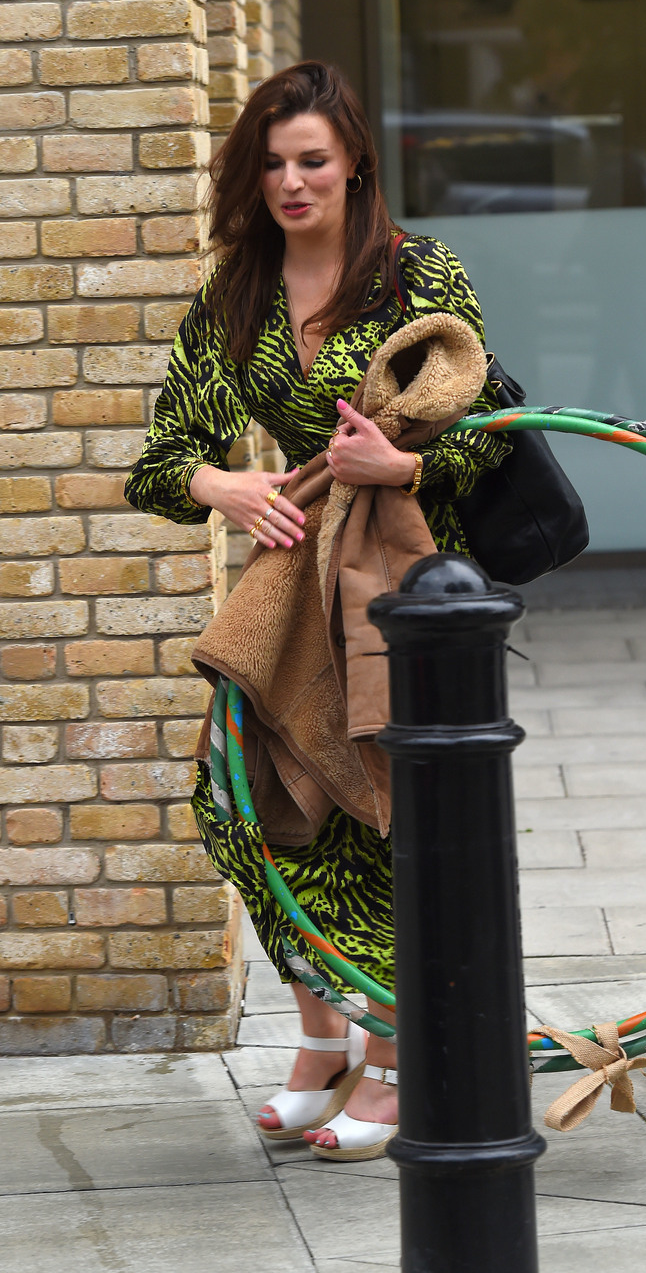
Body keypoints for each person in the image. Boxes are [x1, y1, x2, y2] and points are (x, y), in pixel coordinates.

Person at [124, 60, 509, 1161]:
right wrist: (227, 485)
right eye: (273, 163)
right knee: (243, 801)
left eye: (313, 161)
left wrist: (398, 462)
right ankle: (321, 1036)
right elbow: (161, 461)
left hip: (409, 586)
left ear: (353, 167)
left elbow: (493, 430)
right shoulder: (236, 292)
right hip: (297, 592)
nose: (292, 182)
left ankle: (391, 1060)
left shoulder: (413, 274)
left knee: (385, 816)